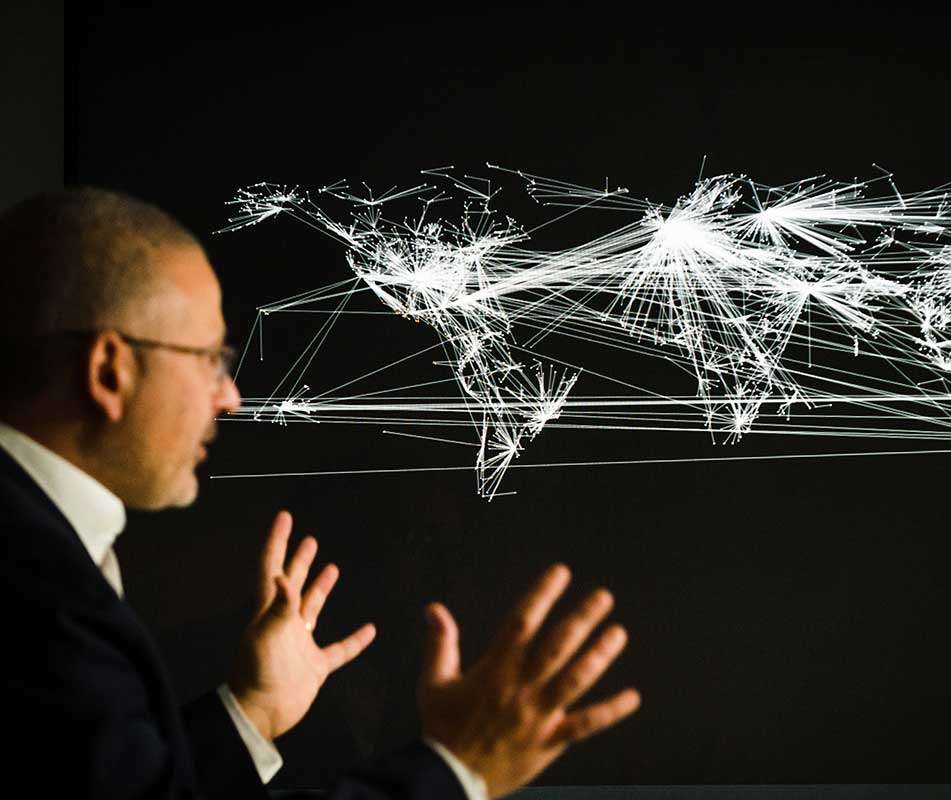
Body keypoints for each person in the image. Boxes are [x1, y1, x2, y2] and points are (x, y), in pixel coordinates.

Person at [0, 187, 641, 798]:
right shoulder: (33, 588)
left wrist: (249, 714)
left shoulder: (38, 556)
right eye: (208, 359)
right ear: (111, 369)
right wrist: (457, 767)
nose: (231, 397)